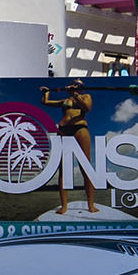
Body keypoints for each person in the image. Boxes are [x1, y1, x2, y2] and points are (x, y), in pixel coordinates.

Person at [39, 80, 97, 214]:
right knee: (63, 168)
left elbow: (87, 108)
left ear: (81, 88)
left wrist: (75, 95)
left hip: (80, 128)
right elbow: (45, 103)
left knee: (86, 167)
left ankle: (90, 205)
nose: (74, 84)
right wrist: (46, 93)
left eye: (78, 84)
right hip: (64, 130)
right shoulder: (65, 100)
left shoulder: (85, 97)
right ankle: (64, 205)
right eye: (73, 83)